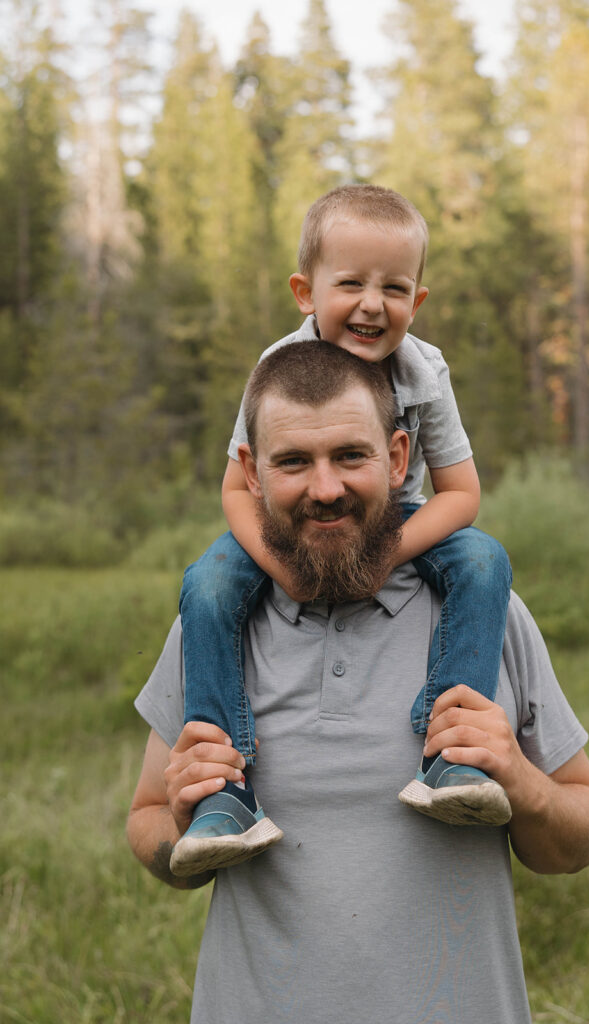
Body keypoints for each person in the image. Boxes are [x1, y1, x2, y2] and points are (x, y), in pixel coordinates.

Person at [126, 341, 589, 1024]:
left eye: (349, 456)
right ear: (251, 472)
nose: (325, 489)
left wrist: (518, 780)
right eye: (293, 461)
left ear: (396, 458)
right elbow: (147, 825)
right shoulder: (213, 626)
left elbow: (581, 840)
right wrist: (178, 826)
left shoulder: (483, 616)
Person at [173, 185, 513, 876]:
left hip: (390, 521)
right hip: (287, 529)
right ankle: (224, 790)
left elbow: (462, 494)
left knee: (482, 561)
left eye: (393, 287)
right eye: (349, 282)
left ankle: (451, 755)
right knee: (206, 583)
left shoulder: (424, 370)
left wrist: (385, 554)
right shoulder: (276, 370)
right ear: (305, 291)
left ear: (416, 301)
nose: (370, 303)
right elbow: (236, 489)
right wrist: (282, 566)